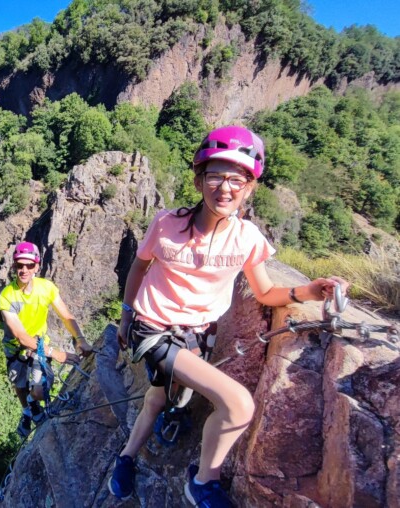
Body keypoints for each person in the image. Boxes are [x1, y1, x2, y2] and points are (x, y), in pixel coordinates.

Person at [107, 126, 349, 507]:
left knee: (157, 399)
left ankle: (125, 458)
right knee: (237, 403)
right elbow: (138, 268)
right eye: (216, 175)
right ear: (199, 179)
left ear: (250, 188)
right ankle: (203, 481)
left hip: (196, 336)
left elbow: (266, 291)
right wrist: (125, 316)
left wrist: (308, 291)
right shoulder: (167, 224)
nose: (225, 187)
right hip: (151, 331)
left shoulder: (247, 238)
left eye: (237, 179)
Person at [0, 241, 93, 437]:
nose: (23, 270)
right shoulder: (7, 296)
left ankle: (32, 405)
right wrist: (56, 354)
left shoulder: (46, 288)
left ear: (37, 267)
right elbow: (21, 336)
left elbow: (66, 315)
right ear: (14, 266)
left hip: (39, 346)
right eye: (19, 265)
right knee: (19, 383)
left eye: (29, 265)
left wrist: (80, 338)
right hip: (16, 348)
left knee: (39, 392)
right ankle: (27, 410)